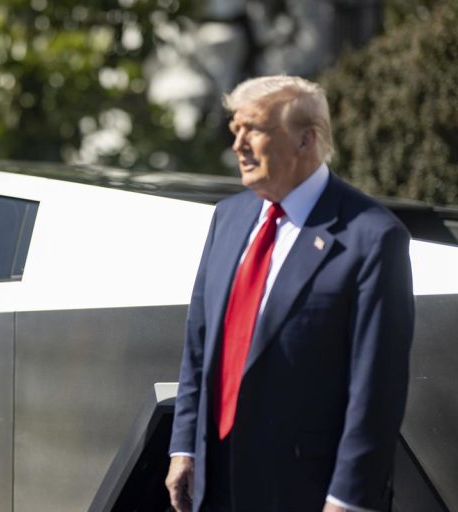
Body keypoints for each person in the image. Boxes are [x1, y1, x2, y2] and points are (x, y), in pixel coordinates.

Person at [165, 75, 414, 512]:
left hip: (305, 491)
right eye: (235, 130)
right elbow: (199, 345)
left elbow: (378, 388)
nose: (238, 145)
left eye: (254, 130)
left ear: (306, 140)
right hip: (215, 481)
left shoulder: (372, 237)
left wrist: (348, 498)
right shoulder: (228, 217)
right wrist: (184, 446)